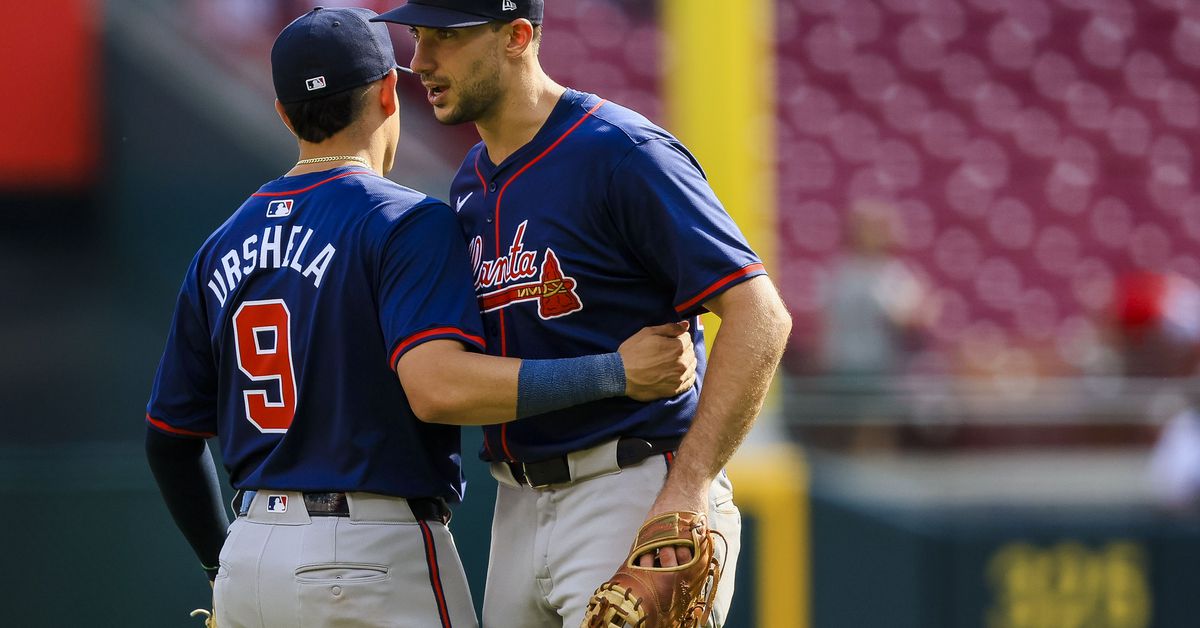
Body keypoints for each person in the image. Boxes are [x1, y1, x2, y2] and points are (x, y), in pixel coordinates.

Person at [144, 7, 696, 628]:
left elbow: (168, 441)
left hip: (250, 554)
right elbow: (437, 388)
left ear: (282, 112)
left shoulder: (218, 247)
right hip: (370, 551)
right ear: (387, 92)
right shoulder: (405, 220)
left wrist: (225, 567)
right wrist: (613, 373)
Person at [373, 2, 794, 626]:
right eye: (417, 37)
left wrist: (690, 489)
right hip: (516, 503)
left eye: (445, 38)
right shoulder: (469, 182)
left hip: (629, 484)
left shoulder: (620, 153)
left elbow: (761, 314)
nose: (420, 61)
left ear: (517, 37)